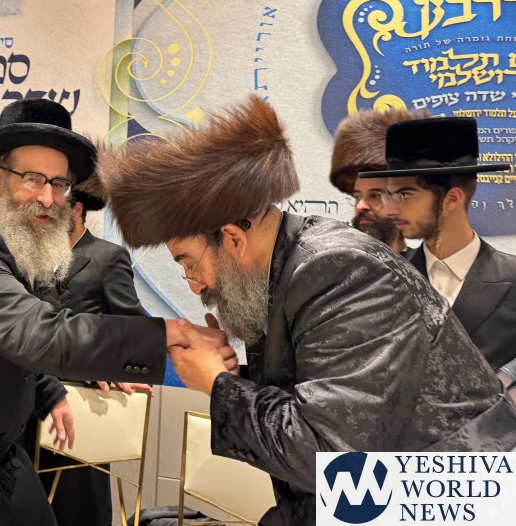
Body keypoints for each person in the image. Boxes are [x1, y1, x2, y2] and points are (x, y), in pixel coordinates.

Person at [93, 94, 516, 526]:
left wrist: (218, 384)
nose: (195, 284)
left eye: (188, 263)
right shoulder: (287, 272)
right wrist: (236, 377)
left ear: (234, 238)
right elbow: (324, 402)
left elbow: (330, 459)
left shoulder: (337, 269)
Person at [0, 99, 236, 526]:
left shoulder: (26, 250)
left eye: (59, 183)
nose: (48, 198)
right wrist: (173, 333)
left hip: (1, 467)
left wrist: (49, 393)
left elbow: (8, 345)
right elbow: (36, 331)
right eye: (32, 179)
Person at [34, 188, 151, 526]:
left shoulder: (107, 257)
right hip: (32, 403)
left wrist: (110, 365)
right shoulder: (31, 258)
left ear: (76, 210)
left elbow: (132, 332)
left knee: (78, 507)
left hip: (83, 407)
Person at [361, 116, 516, 370]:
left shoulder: (513, 280)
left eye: (404, 195)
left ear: (452, 199)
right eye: (389, 195)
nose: (389, 210)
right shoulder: (383, 277)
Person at [329, 108, 428, 254]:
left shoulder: (424, 265)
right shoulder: (337, 263)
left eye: (375, 195)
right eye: (357, 196)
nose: (360, 206)